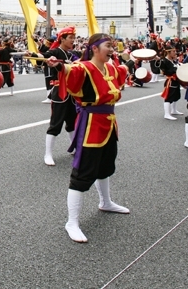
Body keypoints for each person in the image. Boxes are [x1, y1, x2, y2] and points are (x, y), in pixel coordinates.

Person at [47, 33, 129, 243]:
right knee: (83, 172)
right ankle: (71, 222)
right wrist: (57, 66)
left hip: (109, 124)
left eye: (112, 46)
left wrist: (128, 60)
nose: (112, 50)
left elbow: (122, 72)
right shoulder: (83, 67)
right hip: (91, 124)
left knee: (105, 165)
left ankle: (106, 202)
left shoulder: (110, 67)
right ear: (94, 48)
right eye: (108, 46)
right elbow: (68, 70)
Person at [32, 27, 78, 166]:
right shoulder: (56, 51)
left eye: (73, 37)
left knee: (72, 123)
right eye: (70, 38)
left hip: (73, 93)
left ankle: (74, 148)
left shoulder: (72, 54)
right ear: (62, 39)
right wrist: (36, 55)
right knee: (56, 124)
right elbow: (43, 56)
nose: (73, 40)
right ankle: (48, 154)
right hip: (60, 93)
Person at [159, 45, 183, 120]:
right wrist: (175, 69)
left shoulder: (173, 60)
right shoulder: (164, 61)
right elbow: (165, 71)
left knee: (176, 96)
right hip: (170, 81)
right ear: (168, 52)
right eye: (173, 51)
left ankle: (174, 110)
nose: (175, 53)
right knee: (168, 97)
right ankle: (166, 114)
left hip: (175, 80)